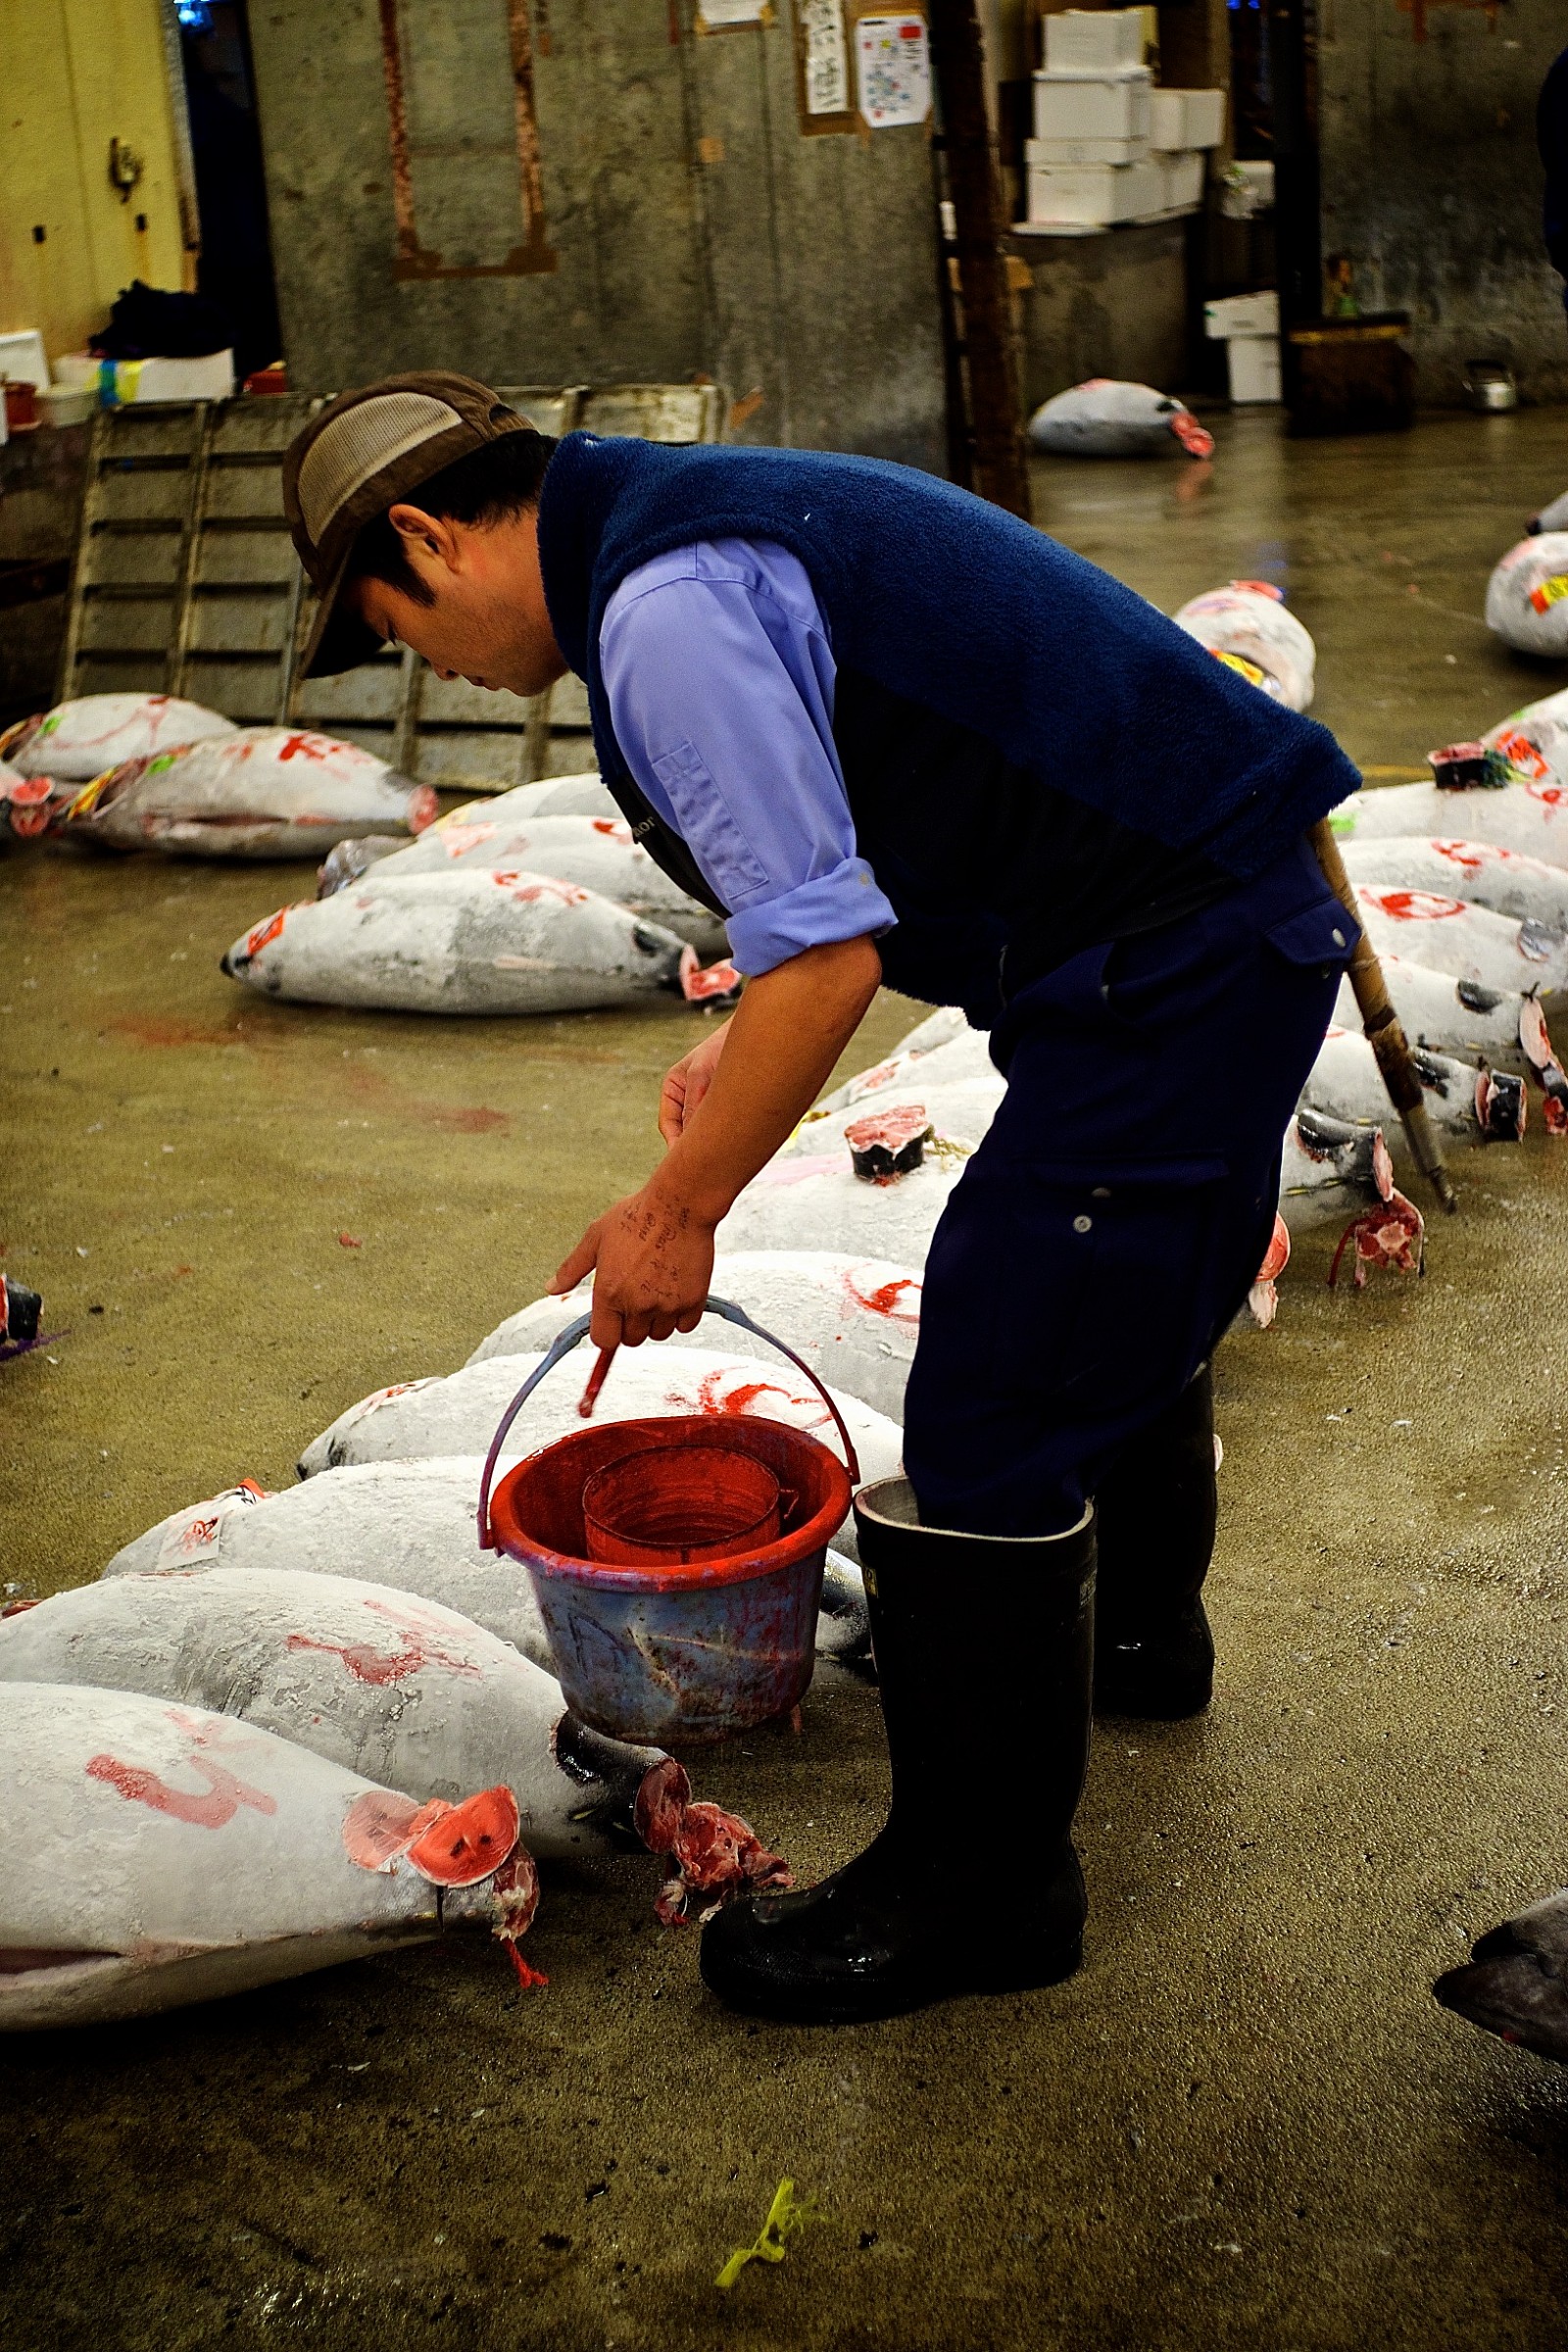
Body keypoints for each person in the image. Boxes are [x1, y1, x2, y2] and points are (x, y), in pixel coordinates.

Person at [282, 374, 1361, 2026]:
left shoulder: (660, 606)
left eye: (394, 626)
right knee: (1108, 1283)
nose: (423, 669)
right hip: (1176, 921)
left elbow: (831, 956)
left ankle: (988, 1886)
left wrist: (674, 1211)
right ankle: (1143, 1647)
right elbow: (836, 856)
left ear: (430, 535)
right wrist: (737, 1046)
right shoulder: (670, 527)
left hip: (1178, 953)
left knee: (998, 1390)